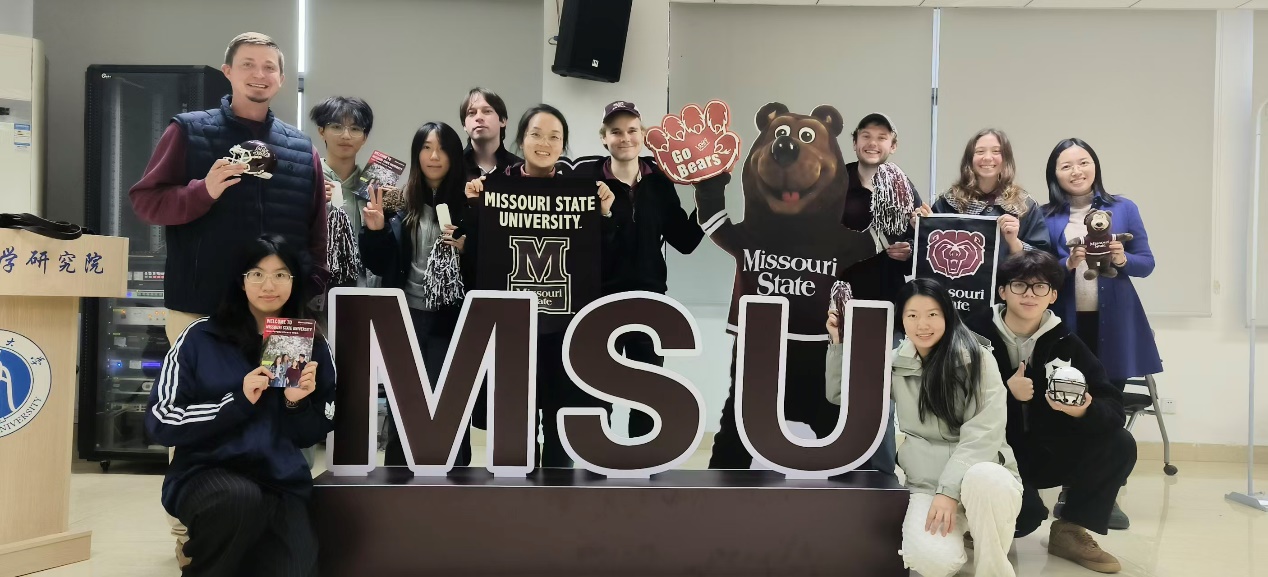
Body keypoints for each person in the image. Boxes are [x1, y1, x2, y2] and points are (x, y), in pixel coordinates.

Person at [128, 32, 328, 566]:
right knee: (199, 418)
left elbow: (315, 230)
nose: (259, 75)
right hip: (201, 307)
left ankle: (268, 518)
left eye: (269, 67)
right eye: (248, 65)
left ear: (281, 78)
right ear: (228, 72)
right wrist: (205, 190)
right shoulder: (189, 131)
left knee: (282, 405)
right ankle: (195, 533)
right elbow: (146, 202)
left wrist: (309, 288)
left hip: (278, 312)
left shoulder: (299, 148)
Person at [145, 235, 336, 577]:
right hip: (206, 473)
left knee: (297, 567)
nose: (269, 286)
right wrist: (236, 400)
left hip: (279, 480)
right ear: (241, 280)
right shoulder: (201, 337)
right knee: (238, 501)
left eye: (281, 274)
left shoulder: (310, 343)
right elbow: (162, 420)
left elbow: (313, 432)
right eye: (257, 274)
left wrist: (295, 404)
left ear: (294, 281)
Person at [827, 279, 1022, 577]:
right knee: (931, 560)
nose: (923, 324)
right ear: (902, 320)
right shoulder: (894, 363)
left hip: (980, 478)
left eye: (932, 314)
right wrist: (838, 342)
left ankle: (992, 570)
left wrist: (949, 492)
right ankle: (959, 537)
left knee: (987, 478)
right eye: (912, 315)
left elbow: (984, 432)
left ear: (947, 314)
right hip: (926, 485)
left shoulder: (977, 359)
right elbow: (843, 395)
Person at [465, 104, 620, 467]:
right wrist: (475, 207)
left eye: (554, 137)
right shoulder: (494, 187)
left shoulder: (582, 192)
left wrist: (605, 214)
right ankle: (520, 496)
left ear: (563, 146)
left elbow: (604, 259)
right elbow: (476, 258)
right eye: (536, 134)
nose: (544, 143)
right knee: (517, 422)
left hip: (564, 329)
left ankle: (556, 496)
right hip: (513, 329)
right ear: (520, 140)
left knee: (560, 420)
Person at [964, 250, 1134, 572]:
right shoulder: (971, 336)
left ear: (1053, 295)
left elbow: (1112, 406)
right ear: (1003, 291)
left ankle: (1070, 530)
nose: (1030, 295)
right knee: (1024, 519)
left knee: (1119, 443)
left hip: (1047, 449)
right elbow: (949, 402)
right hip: (994, 452)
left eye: (1040, 287)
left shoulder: (1066, 340)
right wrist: (1005, 394)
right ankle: (978, 519)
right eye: (1020, 285)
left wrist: (1084, 409)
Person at [558, 100, 705, 438]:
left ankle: (643, 462)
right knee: (596, 391)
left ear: (643, 135)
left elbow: (684, 241)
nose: (625, 138)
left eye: (632, 130)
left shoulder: (660, 182)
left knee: (648, 394)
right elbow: (576, 245)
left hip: (650, 300)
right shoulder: (586, 181)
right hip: (598, 301)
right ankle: (598, 461)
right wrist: (604, 215)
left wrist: (707, 199)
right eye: (616, 132)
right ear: (604, 138)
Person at [1043, 137, 1159, 532]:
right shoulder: (1045, 216)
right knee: (1066, 402)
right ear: (1054, 174)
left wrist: (1122, 258)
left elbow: (1147, 263)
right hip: (1067, 324)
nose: (1076, 171)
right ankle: (1071, 487)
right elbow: (1039, 269)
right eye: (1066, 165)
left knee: (1108, 409)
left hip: (1115, 323)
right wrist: (1066, 262)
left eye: (1083, 162)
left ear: (1095, 166)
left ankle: (1104, 494)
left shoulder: (1123, 208)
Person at [360, 122, 472, 466]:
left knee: (448, 400)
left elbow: (487, 264)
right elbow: (379, 264)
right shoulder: (398, 201)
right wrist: (375, 230)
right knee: (404, 399)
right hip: (405, 314)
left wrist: (468, 249)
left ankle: (453, 477)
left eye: (442, 148)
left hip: (450, 318)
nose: (434, 156)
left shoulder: (470, 204)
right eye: (426, 147)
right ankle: (399, 475)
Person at [837, 112, 927, 477]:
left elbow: (924, 248)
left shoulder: (903, 186)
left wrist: (913, 244)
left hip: (889, 305)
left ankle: (882, 474)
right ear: (855, 141)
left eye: (882, 137)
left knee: (882, 392)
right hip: (841, 301)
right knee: (842, 389)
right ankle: (841, 468)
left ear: (893, 144)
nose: (873, 143)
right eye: (866, 136)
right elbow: (819, 236)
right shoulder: (835, 181)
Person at [924, 128, 1049, 271]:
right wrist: (923, 225)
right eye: (980, 151)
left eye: (996, 151)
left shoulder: (1024, 205)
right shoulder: (948, 202)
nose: (988, 158)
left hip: (1008, 284)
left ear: (1006, 159)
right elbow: (927, 253)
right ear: (969, 159)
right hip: (956, 283)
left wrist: (1014, 242)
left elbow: (1043, 262)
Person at [309, 96, 374, 234]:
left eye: (355, 129)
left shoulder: (372, 187)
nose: (346, 136)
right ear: (321, 131)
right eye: (336, 127)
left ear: (364, 137)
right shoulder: (307, 180)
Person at [459, 87, 522, 180]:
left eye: (487, 111)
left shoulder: (520, 170)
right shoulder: (453, 167)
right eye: (472, 113)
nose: (479, 117)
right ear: (464, 125)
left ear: (503, 120)